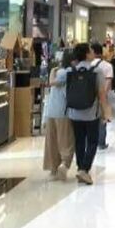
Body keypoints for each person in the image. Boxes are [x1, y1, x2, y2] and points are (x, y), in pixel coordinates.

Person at [66, 43, 111, 185]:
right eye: (91, 51)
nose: (93, 53)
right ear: (86, 54)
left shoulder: (71, 70)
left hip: (74, 112)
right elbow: (101, 94)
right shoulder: (97, 71)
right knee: (92, 141)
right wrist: (106, 112)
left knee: (79, 141)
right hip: (91, 113)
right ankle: (84, 169)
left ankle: (81, 168)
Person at [43, 52, 75, 181]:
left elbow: (51, 85)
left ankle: (53, 168)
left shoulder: (58, 72)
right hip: (63, 111)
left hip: (51, 111)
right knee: (66, 140)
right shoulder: (68, 73)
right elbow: (55, 84)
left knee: (52, 141)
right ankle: (64, 164)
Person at [91, 42, 113, 150]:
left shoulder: (88, 64)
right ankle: (101, 143)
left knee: (89, 117)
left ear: (93, 52)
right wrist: (103, 95)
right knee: (102, 119)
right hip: (102, 95)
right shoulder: (108, 66)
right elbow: (108, 82)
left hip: (89, 95)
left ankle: (90, 142)